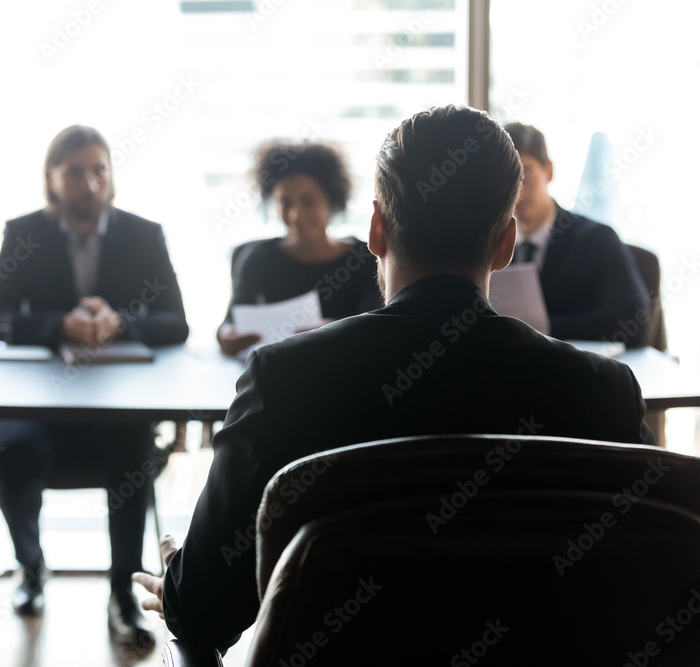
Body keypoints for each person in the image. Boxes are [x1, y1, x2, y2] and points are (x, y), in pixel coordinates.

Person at [132, 105, 654, 653]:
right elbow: (644, 581)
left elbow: (204, 613)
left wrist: (180, 586)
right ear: (505, 244)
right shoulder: (602, 393)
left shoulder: (286, 379)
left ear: (377, 229)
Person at [0, 125, 188, 648]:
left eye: (99, 170)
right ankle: (31, 570)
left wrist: (119, 321)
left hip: (116, 406)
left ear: (111, 177)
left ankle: (122, 590)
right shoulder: (23, 232)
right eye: (74, 172)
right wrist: (58, 325)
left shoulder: (144, 234)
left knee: (134, 445)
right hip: (41, 407)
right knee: (9, 452)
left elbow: (177, 324)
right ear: (51, 179)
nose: (89, 183)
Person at [217, 141, 384, 355]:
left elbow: (379, 329)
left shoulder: (366, 258)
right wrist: (227, 336)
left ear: (331, 200)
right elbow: (230, 322)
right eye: (285, 203)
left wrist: (334, 330)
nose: (296, 215)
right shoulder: (257, 258)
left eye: (308, 201)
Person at [503, 122, 650, 346]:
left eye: (525, 176)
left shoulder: (597, 240)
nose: (518, 193)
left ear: (549, 171)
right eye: (508, 180)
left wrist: (542, 329)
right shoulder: (491, 244)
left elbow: (633, 321)